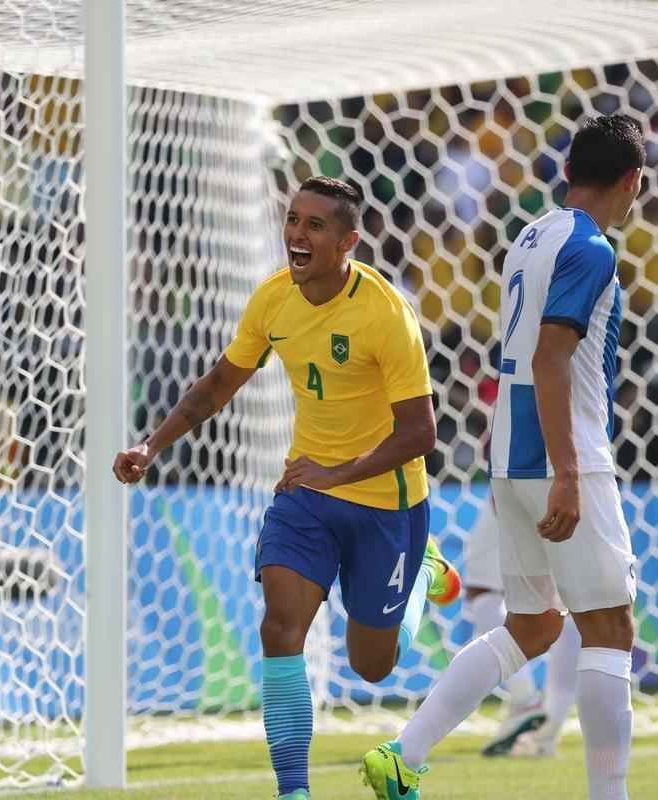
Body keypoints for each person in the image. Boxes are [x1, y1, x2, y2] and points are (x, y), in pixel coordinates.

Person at [113, 176, 462, 800]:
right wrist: (152, 444)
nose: (297, 235)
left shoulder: (386, 313)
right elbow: (219, 384)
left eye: (315, 225)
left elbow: (420, 433)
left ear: (348, 241)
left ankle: (421, 576)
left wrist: (340, 472)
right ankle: (293, 793)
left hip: (387, 501)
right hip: (306, 496)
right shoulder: (275, 298)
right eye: (293, 220)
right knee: (280, 628)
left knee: (372, 665)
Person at [361, 113, 645, 800]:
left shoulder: (530, 236)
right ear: (633, 182)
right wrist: (571, 474)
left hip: (510, 457)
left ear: (569, 171)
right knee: (610, 627)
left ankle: (406, 752)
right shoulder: (592, 248)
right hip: (562, 453)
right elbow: (552, 359)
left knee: (534, 624)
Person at [462, 493, 584, 758]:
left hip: (523, 478)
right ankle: (547, 733)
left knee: (483, 590)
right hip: (589, 488)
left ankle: (524, 700)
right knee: (575, 604)